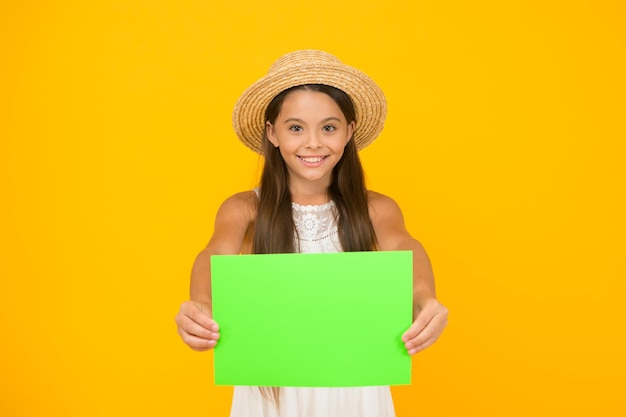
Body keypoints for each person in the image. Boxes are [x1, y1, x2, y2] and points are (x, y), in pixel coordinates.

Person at [175, 50, 448, 417]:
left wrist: (424, 298)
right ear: (272, 132)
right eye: (296, 127)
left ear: (349, 131)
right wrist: (201, 307)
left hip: (356, 390)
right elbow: (214, 254)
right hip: (271, 392)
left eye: (329, 127)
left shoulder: (376, 209)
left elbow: (404, 245)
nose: (314, 143)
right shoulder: (244, 209)